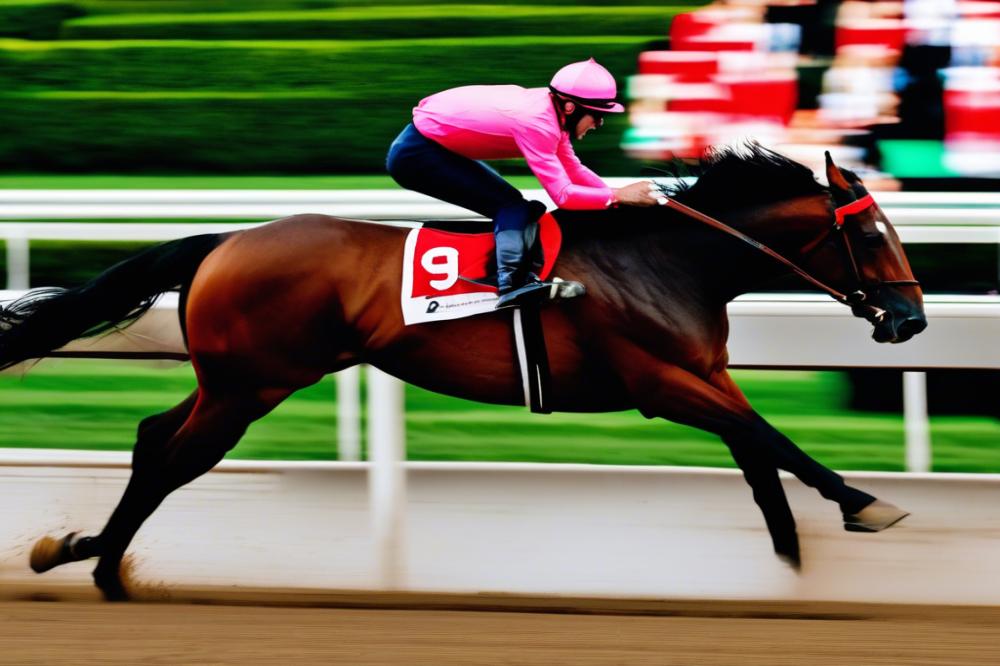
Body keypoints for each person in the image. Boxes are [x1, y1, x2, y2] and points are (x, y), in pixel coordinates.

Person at [386, 58, 662, 309]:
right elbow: (564, 196)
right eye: (597, 115)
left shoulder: (554, 112)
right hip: (417, 155)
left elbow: (574, 170)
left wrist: (619, 199)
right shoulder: (538, 122)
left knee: (521, 207)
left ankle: (507, 274)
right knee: (513, 207)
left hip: (430, 145)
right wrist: (617, 196)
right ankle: (511, 286)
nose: (599, 123)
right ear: (570, 106)